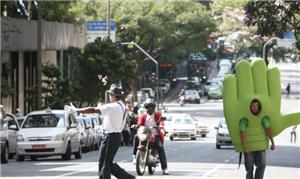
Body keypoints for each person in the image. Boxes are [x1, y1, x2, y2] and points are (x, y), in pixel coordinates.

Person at [72, 83, 135, 179]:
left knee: (104, 163)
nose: (110, 96)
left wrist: (77, 110)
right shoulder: (122, 105)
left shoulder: (113, 106)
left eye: (110, 94)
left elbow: (93, 109)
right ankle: (128, 178)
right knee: (109, 163)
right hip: (116, 135)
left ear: (113, 96)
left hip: (110, 136)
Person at [131, 98, 169, 175]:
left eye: (151, 106)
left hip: (156, 136)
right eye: (148, 107)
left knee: (160, 148)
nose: (150, 108)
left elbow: (161, 121)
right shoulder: (143, 116)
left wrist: (161, 127)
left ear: (154, 107)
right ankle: (134, 157)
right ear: (146, 108)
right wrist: (136, 126)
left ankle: (165, 168)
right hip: (145, 135)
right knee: (135, 137)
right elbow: (139, 123)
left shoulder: (158, 115)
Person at [239, 99, 275, 179]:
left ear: (259, 106)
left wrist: (273, 142)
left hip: (260, 146)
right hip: (249, 147)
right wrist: (244, 146)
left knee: (262, 165)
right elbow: (242, 131)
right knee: (249, 168)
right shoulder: (245, 118)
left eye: (256, 106)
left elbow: (268, 130)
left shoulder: (263, 118)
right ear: (249, 107)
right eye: (252, 106)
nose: (254, 108)